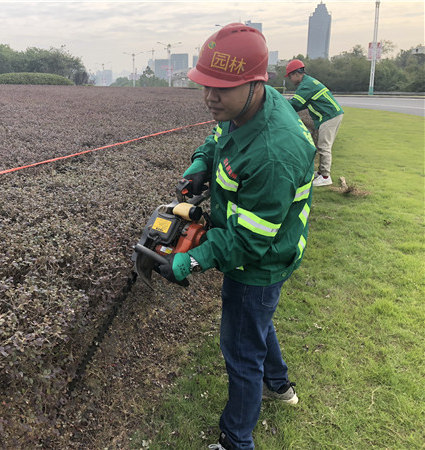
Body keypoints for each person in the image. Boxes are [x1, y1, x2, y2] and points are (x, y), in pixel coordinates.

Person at [156, 23, 316, 450]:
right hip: (260, 250)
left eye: (221, 88)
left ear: (255, 82)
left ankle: (235, 441)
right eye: (205, 85)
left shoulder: (274, 151)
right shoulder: (243, 109)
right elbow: (217, 140)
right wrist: (198, 167)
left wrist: (190, 259)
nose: (210, 97)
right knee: (256, 322)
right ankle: (280, 386)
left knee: (242, 352)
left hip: (261, 260)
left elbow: (248, 242)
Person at [286, 59, 344, 187]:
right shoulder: (308, 82)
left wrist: (281, 105)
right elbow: (302, 105)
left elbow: (295, 104)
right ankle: (321, 172)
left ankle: (325, 176)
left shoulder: (306, 85)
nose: (290, 80)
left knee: (324, 146)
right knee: (321, 145)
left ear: (296, 74)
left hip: (329, 116)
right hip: (329, 115)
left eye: (290, 76)